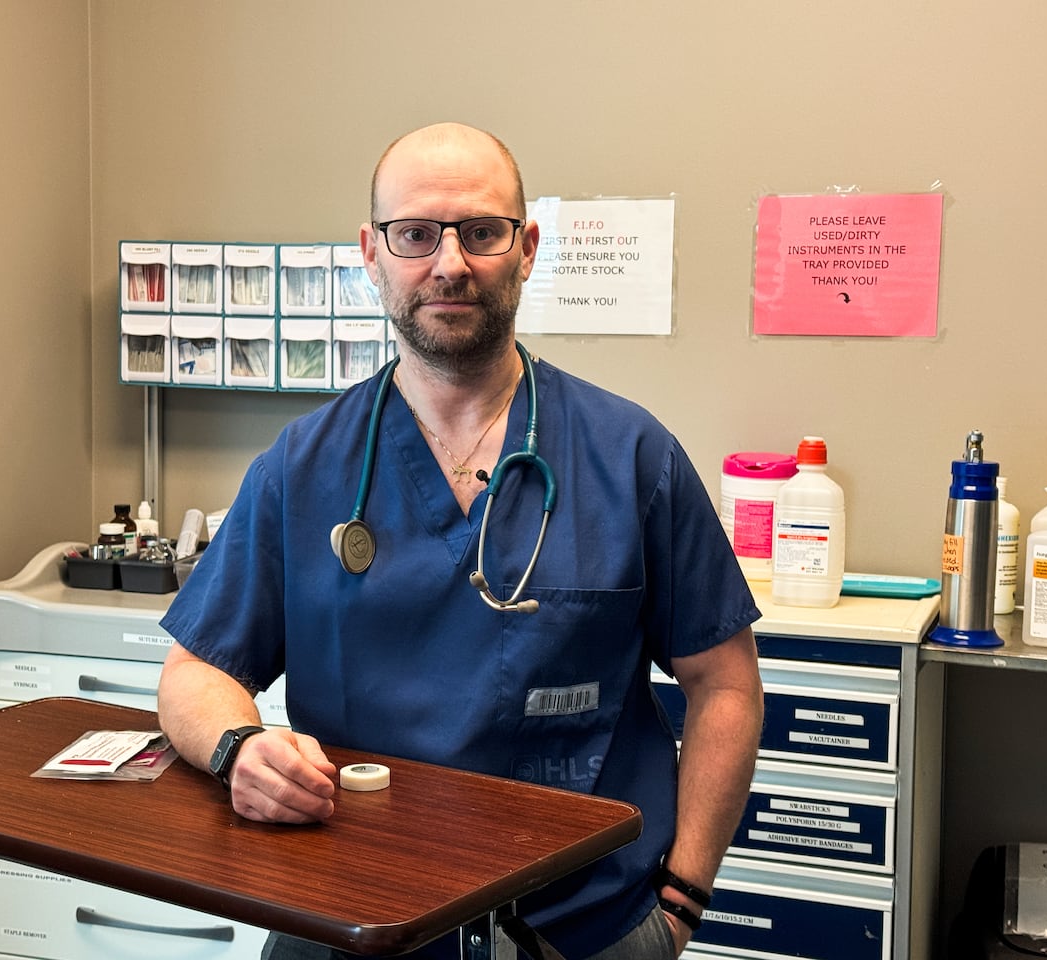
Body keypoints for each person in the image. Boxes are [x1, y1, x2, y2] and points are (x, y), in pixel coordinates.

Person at [157, 121, 765, 960]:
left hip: (583, 930)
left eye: (482, 232)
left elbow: (724, 684)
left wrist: (683, 902)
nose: (450, 264)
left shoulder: (630, 455)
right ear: (372, 253)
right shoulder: (301, 467)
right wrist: (240, 748)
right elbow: (198, 669)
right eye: (416, 235)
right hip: (347, 921)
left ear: (528, 248)